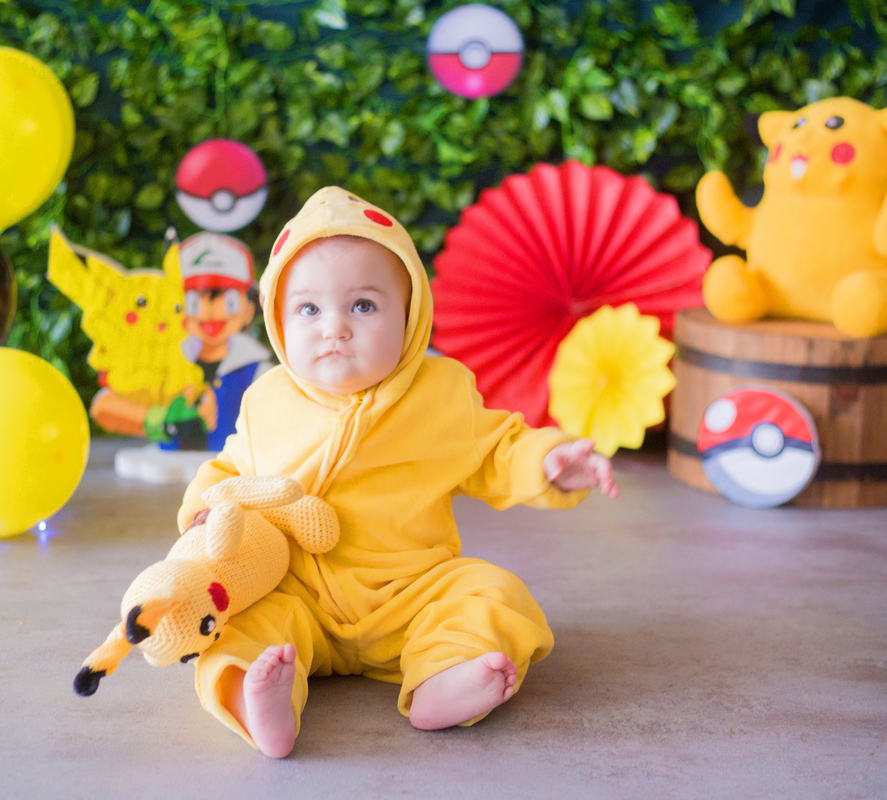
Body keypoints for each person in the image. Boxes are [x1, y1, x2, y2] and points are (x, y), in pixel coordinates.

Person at [175, 187, 618, 758]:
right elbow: (230, 467)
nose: (334, 328)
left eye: (362, 306)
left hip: (413, 592)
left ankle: (442, 675)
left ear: (410, 317)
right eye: (309, 309)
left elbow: (497, 450)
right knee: (231, 628)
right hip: (298, 594)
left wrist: (548, 461)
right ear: (278, 323)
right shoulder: (267, 401)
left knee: (494, 593)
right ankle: (259, 702)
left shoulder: (440, 393)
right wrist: (204, 512)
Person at [178, 231, 273, 451]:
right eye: (194, 301)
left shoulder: (259, 370)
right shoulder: (170, 363)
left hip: (236, 471)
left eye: (228, 301)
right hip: (172, 467)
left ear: (249, 309)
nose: (209, 312)